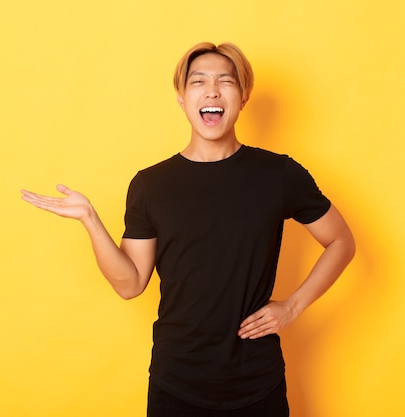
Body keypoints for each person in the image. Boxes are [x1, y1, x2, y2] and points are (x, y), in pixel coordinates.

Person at [21, 42, 355, 417]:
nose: (212, 90)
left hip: (257, 380)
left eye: (225, 81)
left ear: (243, 96)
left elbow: (341, 241)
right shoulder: (151, 185)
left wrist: (293, 307)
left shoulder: (278, 175)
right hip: (176, 381)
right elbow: (130, 285)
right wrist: (91, 222)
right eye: (198, 81)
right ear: (182, 98)